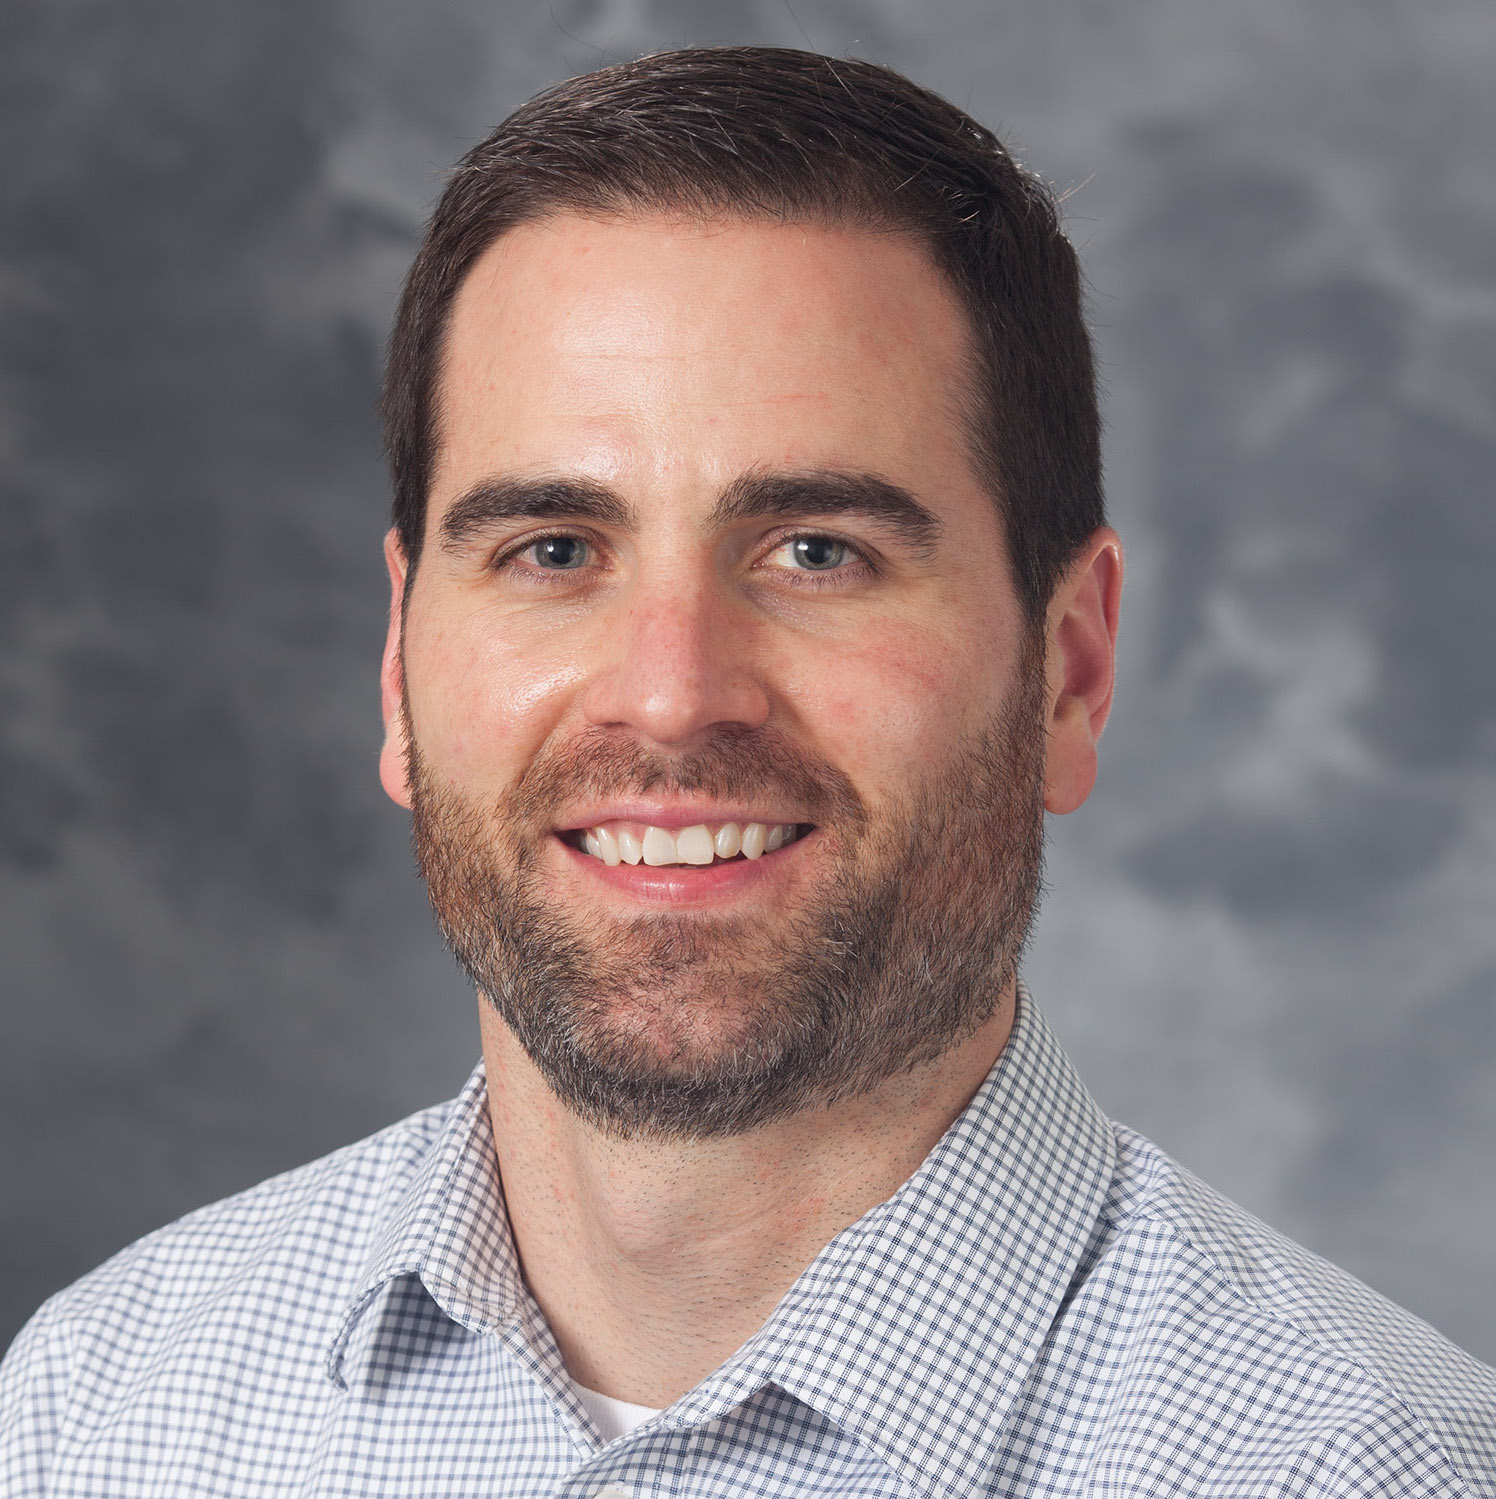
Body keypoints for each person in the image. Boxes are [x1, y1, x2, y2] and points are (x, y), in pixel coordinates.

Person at [2, 43, 1492, 1498]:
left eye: (817, 552)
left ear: (1070, 670)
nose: (669, 694)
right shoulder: (104, 1414)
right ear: (401, 665)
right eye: (555, 551)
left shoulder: (1377, 1467)